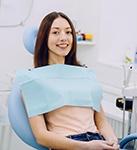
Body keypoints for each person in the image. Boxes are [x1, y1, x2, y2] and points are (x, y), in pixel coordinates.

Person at [16, 11, 120, 150]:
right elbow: (41, 136)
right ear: (43, 38)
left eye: (68, 32)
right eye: (56, 32)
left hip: (98, 141)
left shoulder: (85, 75)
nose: (64, 38)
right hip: (69, 144)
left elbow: (102, 122)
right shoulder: (33, 80)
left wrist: (112, 141)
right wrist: (86, 147)